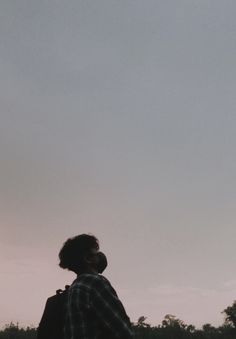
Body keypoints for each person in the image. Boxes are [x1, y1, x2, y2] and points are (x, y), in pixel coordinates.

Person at [59, 234, 134, 339]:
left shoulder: (74, 288)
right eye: (96, 253)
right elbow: (122, 331)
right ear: (88, 258)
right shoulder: (94, 283)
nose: (100, 256)